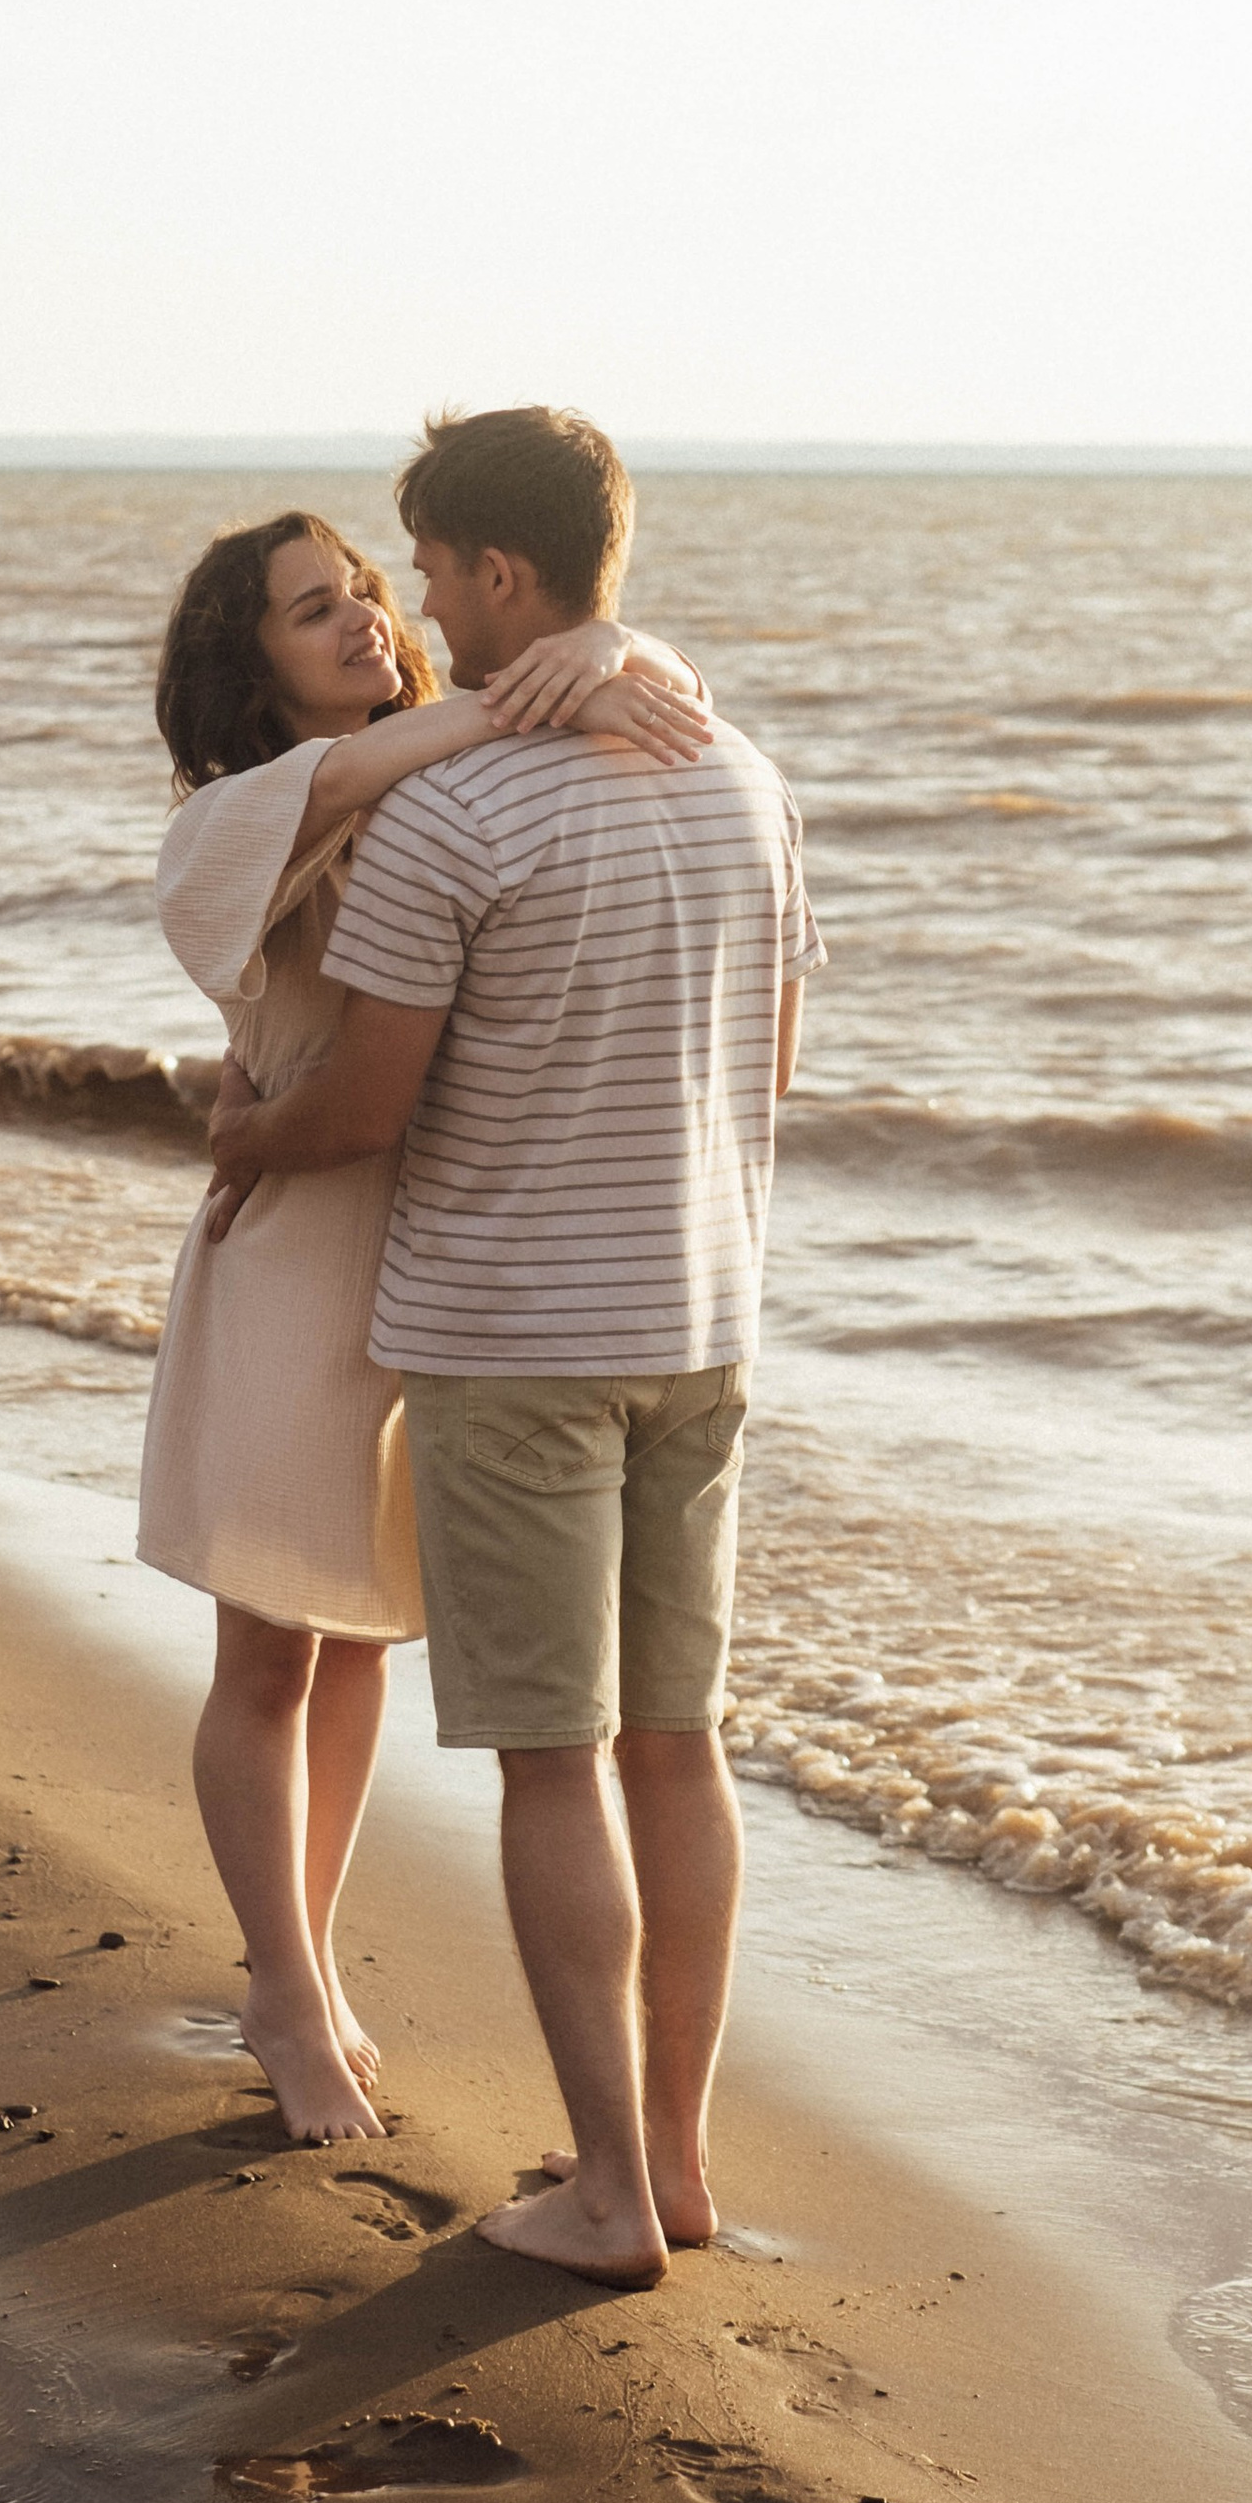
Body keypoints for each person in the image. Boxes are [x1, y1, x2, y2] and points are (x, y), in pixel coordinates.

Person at [206, 408, 822, 2283]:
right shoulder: (747, 777)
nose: (414, 610)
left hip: (513, 1344)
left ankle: (611, 2196)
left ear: (494, 573)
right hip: (703, 1324)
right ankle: (685, 2164)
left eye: (425, 568)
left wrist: (249, 1137)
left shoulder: (450, 815)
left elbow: (365, 1107)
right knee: (678, 1749)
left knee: (552, 1766)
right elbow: (774, 1057)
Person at [140, 504, 712, 2145]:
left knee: (359, 1635)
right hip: (292, 1251)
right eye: (315, 614)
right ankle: (291, 1991)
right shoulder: (244, 813)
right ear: (246, 664)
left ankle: (297, 1968)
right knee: (266, 1650)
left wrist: (613, 651)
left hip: (432, 1259)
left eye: (369, 598)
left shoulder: (441, 776)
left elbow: (605, 724)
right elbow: (337, 794)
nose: (368, 628)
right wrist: (573, 665)